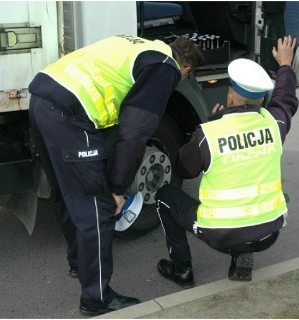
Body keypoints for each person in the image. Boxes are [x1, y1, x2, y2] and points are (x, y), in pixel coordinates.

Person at [28, 34, 204, 316]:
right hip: (71, 113)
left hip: (42, 98)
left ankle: (79, 262)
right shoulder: (165, 67)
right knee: (97, 209)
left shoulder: (139, 45)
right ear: (186, 69)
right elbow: (135, 131)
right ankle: (96, 298)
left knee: (66, 191)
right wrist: (118, 188)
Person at [155, 35, 297, 288]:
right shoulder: (275, 124)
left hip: (220, 236)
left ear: (230, 97)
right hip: (269, 234)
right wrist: (285, 65)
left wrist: (208, 125)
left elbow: (183, 169)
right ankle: (243, 257)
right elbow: (285, 99)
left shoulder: (209, 134)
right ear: (262, 99)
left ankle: (181, 268)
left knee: (166, 196)